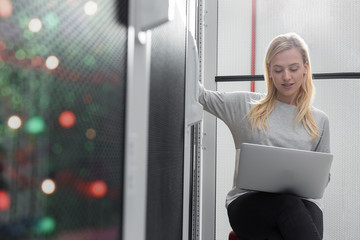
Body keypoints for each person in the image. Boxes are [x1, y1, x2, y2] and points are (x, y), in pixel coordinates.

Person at [198, 33, 330, 240]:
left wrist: (317, 178)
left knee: (293, 218)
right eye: (278, 70)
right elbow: (200, 96)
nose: (286, 76)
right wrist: (185, 39)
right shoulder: (245, 107)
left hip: (302, 204)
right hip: (250, 204)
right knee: (289, 205)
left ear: (306, 67)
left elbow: (322, 179)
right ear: (269, 71)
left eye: (293, 68)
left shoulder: (319, 120)